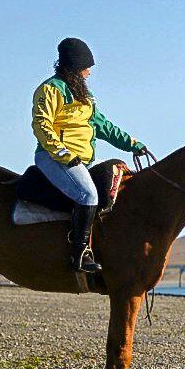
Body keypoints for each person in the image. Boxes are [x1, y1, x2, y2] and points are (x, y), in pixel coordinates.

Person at [32, 38, 148, 273]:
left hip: (80, 160)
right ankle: (79, 255)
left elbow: (103, 126)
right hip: (53, 156)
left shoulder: (85, 97)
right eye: (86, 68)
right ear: (75, 66)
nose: (88, 73)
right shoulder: (49, 89)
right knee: (87, 194)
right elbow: (41, 125)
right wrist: (63, 153)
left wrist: (133, 144)